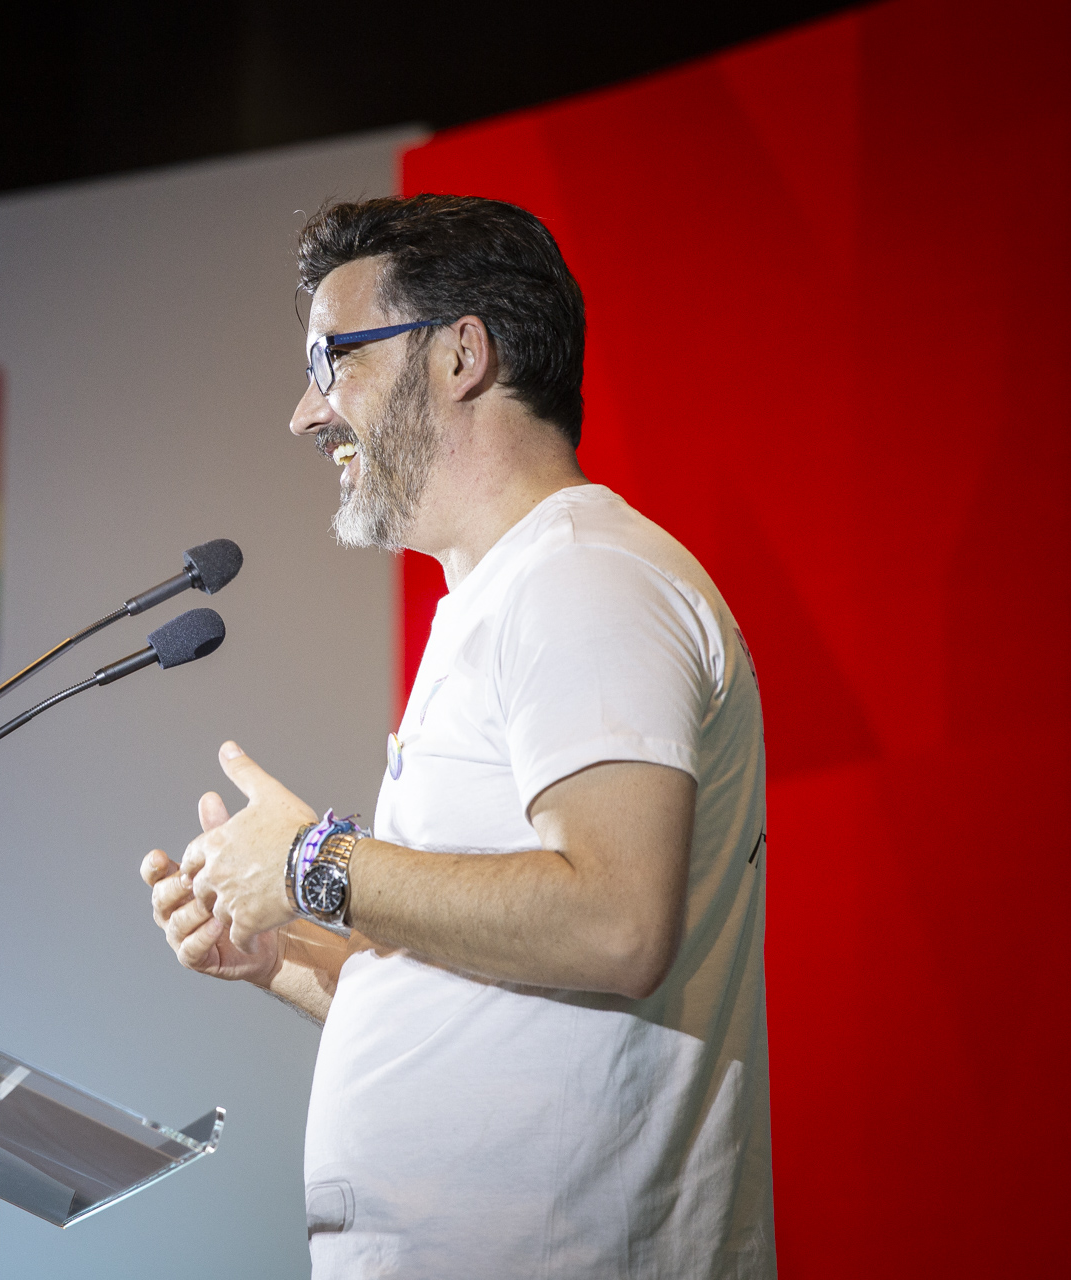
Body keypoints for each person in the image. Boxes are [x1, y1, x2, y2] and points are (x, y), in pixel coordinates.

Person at [141, 195, 774, 1278]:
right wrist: (284, 948)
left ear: (460, 354)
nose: (305, 414)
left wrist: (311, 863)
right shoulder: (511, 592)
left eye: (335, 359)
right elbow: (482, 980)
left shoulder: (581, 577)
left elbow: (616, 921)